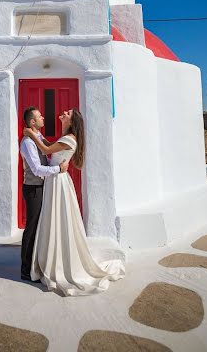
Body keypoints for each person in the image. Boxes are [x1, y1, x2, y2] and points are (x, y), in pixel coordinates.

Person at [24, 108, 126, 296]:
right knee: (53, 220)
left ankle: (57, 260)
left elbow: (46, 149)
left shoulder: (69, 138)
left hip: (58, 181)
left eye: (68, 113)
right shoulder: (65, 137)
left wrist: (31, 133)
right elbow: (48, 145)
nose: (63, 112)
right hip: (56, 180)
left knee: (57, 219)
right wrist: (35, 134)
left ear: (71, 122)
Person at [19, 106, 69, 282]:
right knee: (31, 228)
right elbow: (36, 169)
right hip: (33, 189)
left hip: (42, 187)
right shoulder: (27, 142)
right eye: (40, 117)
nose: (43, 118)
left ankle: (36, 264)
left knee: (40, 226)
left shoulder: (38, 138)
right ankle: (25, 269)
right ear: (32, 122)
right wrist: (58, 169)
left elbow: (48, 152)